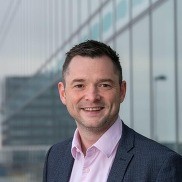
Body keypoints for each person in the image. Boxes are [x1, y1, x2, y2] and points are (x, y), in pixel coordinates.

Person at [43, 40, 182, 182]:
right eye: (79, 85)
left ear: (122, 91)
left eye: (104, 85)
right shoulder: (55, 157)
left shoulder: (162, 165)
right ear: (63, 93)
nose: (92, 97)